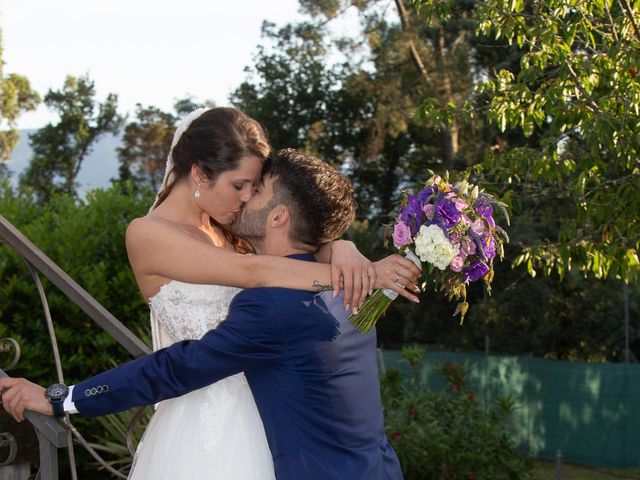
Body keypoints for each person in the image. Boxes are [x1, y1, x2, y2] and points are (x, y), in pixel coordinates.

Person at [1, 108, 420, 479]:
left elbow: (294, 239)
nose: (245, 198)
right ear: (200, 173)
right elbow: (254, 273)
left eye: (254, 187)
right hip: (202, 426)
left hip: (272, 419)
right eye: (240, 185)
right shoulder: (149, 234)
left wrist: (343, 246)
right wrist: (350, 272)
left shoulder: (233, 230)